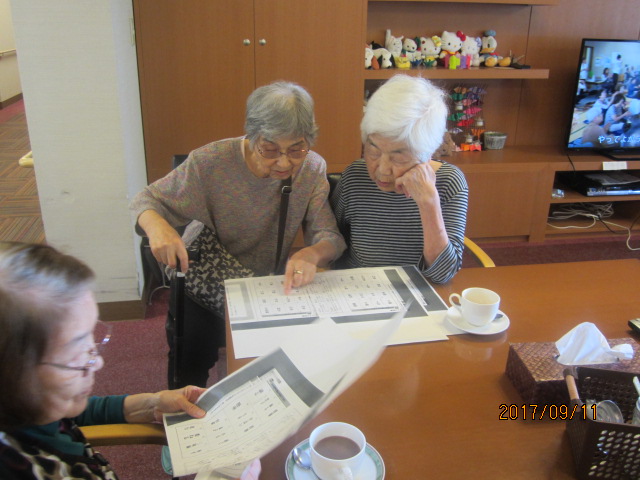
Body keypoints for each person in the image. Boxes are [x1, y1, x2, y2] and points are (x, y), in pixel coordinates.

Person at [130, 81, 346, 387]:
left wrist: (311, 253)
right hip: (206, 279)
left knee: (282, 365)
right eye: (270, 149)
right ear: (252, 135)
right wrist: (158, 227)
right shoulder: (211, 162)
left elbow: (330, 236)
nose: (284, 162)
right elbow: (146, 200)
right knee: (190, 361)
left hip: (264, 284)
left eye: (296, 149)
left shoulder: (311, 168)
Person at [0, 241, 261, 480]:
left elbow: (73, 415)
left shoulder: (32, 410)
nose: (97, 363)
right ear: (12, 372)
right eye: (75, 351)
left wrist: (151, 404)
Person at [330, 75, 468, 284]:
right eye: (373, 151)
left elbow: (443, 275)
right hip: (360, 289)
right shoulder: (355, 177)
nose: (382, 170)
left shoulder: (449, 183)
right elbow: (334, 244)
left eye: (398, 157)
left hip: (419, 293)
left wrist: (429, 202)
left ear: (426, 154)